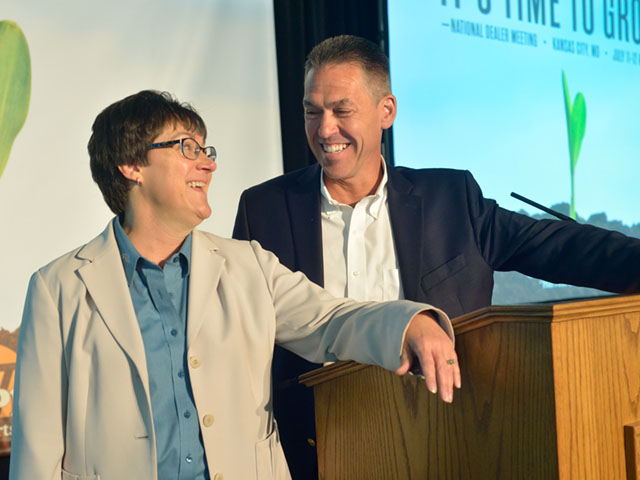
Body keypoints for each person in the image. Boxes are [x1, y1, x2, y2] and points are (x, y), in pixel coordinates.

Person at [232, 34, 640, 478]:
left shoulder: (450, 198)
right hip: (316, 456)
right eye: (313, 112)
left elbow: (558, 246)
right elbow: (242, 342)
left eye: (341, 110)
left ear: (386, 111)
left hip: (447, 446)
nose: (324, 129)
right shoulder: (265, 210)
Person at [9, 90, 461, 480]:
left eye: (208, 151)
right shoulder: (59, 288)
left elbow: (332, 320)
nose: (208, 165)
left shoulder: (248, 266)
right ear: (132, 166)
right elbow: (38, 452)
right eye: (188, 148)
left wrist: (410, 323)